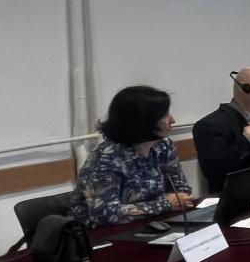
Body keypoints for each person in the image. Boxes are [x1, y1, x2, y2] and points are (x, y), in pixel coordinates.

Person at [74, 86, 195, 226]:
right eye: (164, 115)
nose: (172, 120)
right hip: (103, 234)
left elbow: (181, 192)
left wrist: (170, 202)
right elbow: (104, 214)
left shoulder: (164, 146)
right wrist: (164, 205)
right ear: (143, 121)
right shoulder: (107, 157)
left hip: (154, 223)